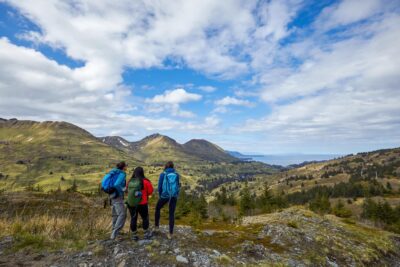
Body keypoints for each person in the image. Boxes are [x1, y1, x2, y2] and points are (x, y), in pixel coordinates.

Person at [102, 161, 128, 240]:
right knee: (122, 214)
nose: (127, 167)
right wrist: (123, 190)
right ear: (123, 167)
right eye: (126, 166)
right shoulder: (122, 174)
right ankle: (115, 234)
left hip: (111, 194)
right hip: (117, 195)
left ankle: (114, 232)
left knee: (115, 214)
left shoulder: (113, 172)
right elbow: (117, 184)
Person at [126, 167, 154, 241]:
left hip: (131, 203)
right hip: (143, 203)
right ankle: (146, 234)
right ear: (142, 172)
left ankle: (134, 235)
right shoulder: (146, 181)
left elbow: (126, 190)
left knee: (133, 218)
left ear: (134, 172)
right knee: (145, 218)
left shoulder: (130, 181)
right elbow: (151, 191)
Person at [154, 161, 180, 239]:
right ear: (173, 167)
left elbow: (159, 187)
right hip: (173, 196)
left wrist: (161, 195)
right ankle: (170, 234)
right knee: (171, 213)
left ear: (166, 167)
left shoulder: (163, 174)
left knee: (157, 208)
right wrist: (176, 195)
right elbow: (178, 186)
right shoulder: (176, 174)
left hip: (164, 195)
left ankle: (157, 227)